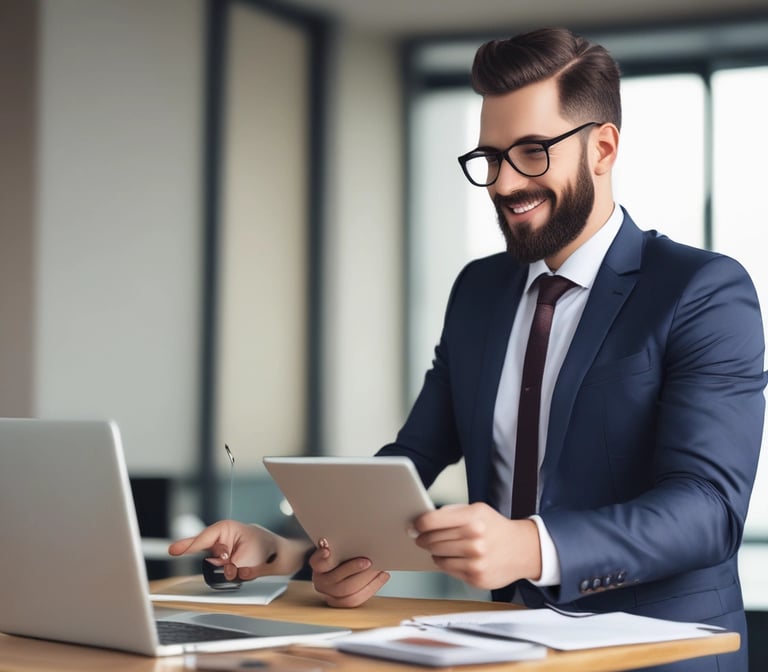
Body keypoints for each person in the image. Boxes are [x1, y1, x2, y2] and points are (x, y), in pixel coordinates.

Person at [169, 27, 766, 671]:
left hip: (656, 652)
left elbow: (707, 509)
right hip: (501, 643)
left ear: (603, 147)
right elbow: (413, 458)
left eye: (532, 152)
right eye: (491, 157)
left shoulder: (701, 288)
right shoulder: (480, 289)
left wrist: (531, 547)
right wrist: (291, 548)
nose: (504, 183)